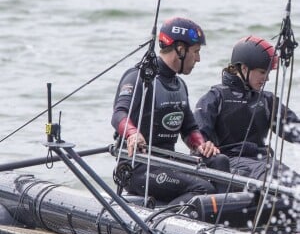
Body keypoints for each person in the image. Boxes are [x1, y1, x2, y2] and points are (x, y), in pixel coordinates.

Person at [111, 17, 230, 206]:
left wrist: (200, 145)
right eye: (196, 52)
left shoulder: (179, 85)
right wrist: (133, 134)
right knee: (203, 189)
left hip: (168, 163)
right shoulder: (139, 77)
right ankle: (162, 221)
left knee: (220, 161)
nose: (198, 59)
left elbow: (189, 129)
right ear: (180, 50)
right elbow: (119, 114)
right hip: (139, 167)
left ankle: (220, 220)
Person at [194, 35, 300, 186]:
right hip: (231, 164)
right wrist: (204, 144)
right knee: (274, 177)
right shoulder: (215, 98)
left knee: (292, 179)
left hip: (265, 163)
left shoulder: (268, 100)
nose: (267, 79)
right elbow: (196, 136)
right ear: (243, 68)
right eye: (263, 72)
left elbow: (295, 129)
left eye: (268, 73)